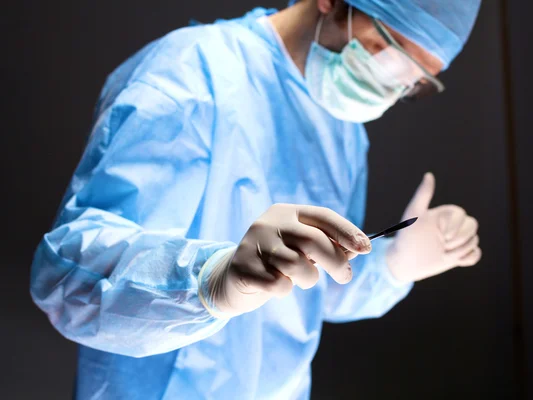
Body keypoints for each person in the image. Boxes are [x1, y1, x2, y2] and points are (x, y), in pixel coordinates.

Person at [30, 0, 482, 398]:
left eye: (415, 81)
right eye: (391, 53)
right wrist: (209, 282)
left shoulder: (342, 128)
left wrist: (391, 265)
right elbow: (67, 276)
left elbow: (313, 287)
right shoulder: (190, 71)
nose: (395, 86)